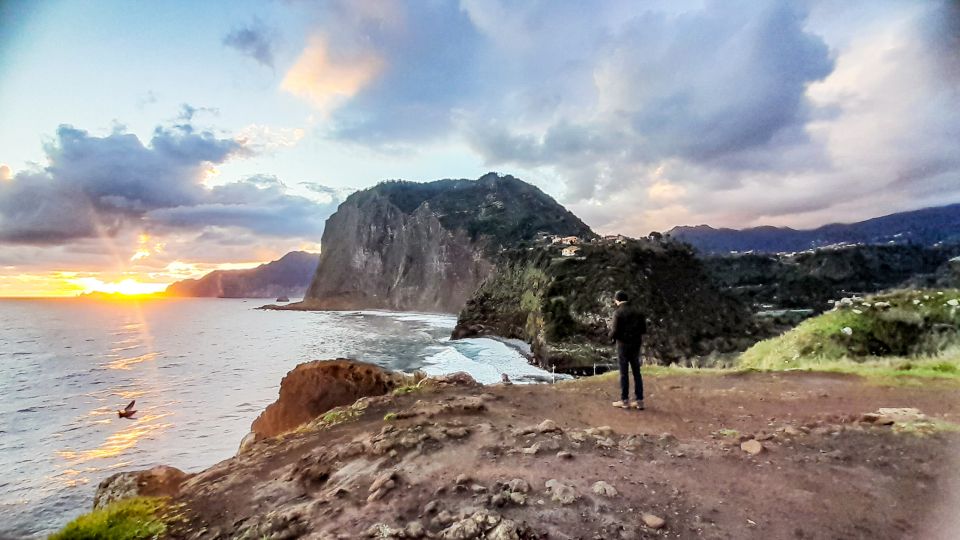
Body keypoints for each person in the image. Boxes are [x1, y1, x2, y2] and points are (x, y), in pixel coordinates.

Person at [608, 290, 646, 410]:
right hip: (636, 345)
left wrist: (610, 337)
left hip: (623, 346)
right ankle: (639, 401)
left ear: (617, 300)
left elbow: (615, 331)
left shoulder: (618, 313)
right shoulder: (638, 312)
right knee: (636, 372)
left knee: (624, 373)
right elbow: (644, 329)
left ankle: (625, 400)